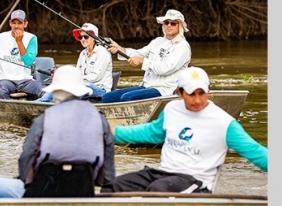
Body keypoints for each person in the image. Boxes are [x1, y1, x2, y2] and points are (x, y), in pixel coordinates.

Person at [100, 66, 267, 194]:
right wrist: (113, 133)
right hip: (162, 173)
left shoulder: (224, 123)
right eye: (191, 94)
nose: (197, 100)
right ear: (179, 92)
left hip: (196, 182)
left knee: (158, 190)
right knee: (111, 187)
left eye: (202, 93)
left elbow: (254, 151)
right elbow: (152, 133)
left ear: (208, 91)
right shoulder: (172, 109)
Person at [0, 65, 116, 198]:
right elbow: (108, 174)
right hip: (83, 192)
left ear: (55, 91)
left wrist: (27, 183)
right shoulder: (101, 121)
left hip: (42, 192)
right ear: (81, 91)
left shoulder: (43, 119)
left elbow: (26, 159)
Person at [102, 9, 191, 103]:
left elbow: (166, 68)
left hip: (164, 90)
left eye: (173, 23)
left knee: (127, 98)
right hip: (145, 86)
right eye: (166, 22)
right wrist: (121, 49)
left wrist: (142, 61)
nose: (169, 25)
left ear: (180, 26)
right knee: (107, 97)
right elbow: (140, 53)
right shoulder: (158, 41)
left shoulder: (183, 47)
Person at [36, 23, 113, 102]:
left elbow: (96, 77)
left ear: (94, 38)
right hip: (84, 85)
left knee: (79, 85)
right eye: (80, 37)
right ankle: (40, 102)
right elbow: (77, 73)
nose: (83, 39)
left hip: (101, 90)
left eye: (86, 36)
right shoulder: (82, 53)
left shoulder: (103, 52)